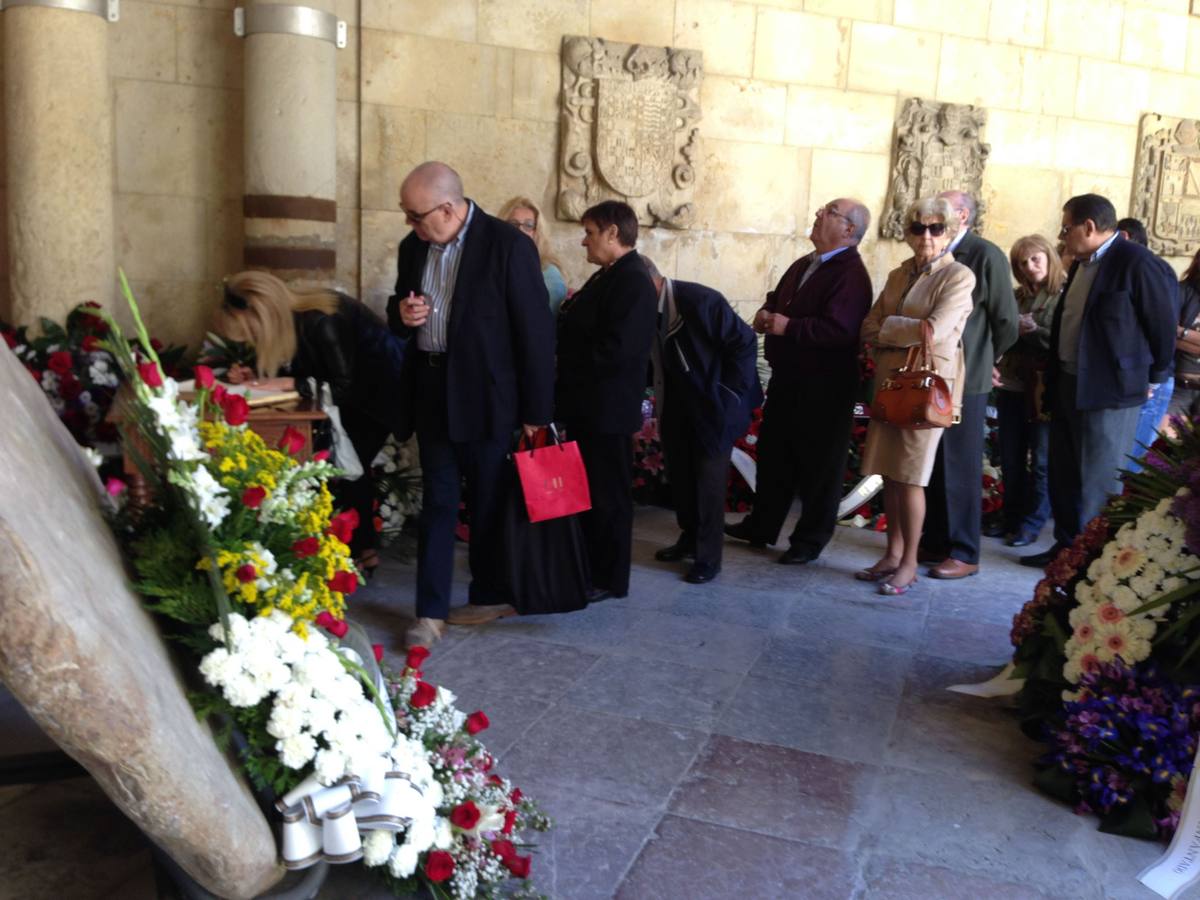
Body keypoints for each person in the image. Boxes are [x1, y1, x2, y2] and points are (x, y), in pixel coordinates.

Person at [386, 162, 555, 646]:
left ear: (447, 207)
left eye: (415, 215)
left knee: (487, 502)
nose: (410, 225)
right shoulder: (412, 247)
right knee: (438, 503)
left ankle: (488, 593)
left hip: (488, 399)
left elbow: (535, 334)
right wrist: (401, 314)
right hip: (432, 391)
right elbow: (399, 311)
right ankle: (430, 614)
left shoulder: (507, 245)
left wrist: (535, 414)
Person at [1020, 194, 1178, 568]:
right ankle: (1065, 548)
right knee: (1064, 473)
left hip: (1110, 391)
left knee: (1099, 480)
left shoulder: (1136, 262)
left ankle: (1091, 562)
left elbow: (1162, 324)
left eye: (1066, 227)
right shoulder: (1080, 264)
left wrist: (1155, 377)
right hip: (1069, 383)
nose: (1062, 236)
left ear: (1088, 227)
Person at [214, 270, 406, 577]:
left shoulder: (322, 319)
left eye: (251, 332)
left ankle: (350, 556)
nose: (252, 340)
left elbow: (343, 386)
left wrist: (285, 382)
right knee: (349, 470)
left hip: (377, 400)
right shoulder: (298, 319)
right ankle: (361, 551)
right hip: (360, 399)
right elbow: (308, 367)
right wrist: (259, 377)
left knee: (343, 470)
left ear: (263, 314)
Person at [724, 198, 874, 564]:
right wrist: (766, 312)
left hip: (825, 386)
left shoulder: (851, 275)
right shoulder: (806, 263)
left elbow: (841, 329)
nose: (818, 214)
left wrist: (788, 326)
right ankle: (762, 526)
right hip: (789, 378)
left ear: (848, 230)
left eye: (829, 212)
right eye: (822, 209)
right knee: (776, 457)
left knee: (819, 468)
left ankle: (808, 542)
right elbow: (779, 298)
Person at [859, 196, 975, 596]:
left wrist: (891, 327)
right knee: (889, 473)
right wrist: (903, 327)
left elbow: (937, 330)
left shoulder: (958, 276)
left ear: (950, 232)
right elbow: (867, 327)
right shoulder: (897, 274)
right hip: (892, 385)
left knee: (911, 476)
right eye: (918, 227)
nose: (926, 235)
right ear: (907, 232)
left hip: (927, 389)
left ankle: (909, 563)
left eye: (936, 228)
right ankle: (892, 554)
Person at [555, 200, 656, 601]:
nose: (584, 241)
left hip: (607, 409)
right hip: (590, 406)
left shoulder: (632, 279)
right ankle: (587, 568)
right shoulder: (609, 275)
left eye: (590, 232)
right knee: (590, 493)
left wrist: (565, 363)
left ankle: (608, 578)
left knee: (608, 496)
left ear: (613, 233)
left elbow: (619, 350)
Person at [643, 258, 761, 584]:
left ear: (649, 283)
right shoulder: (648, 309)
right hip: (678, 403)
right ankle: (689, 538)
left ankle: (709, 557)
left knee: (708, 480)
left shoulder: (700, 300)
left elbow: (745, 342)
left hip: (715, 406)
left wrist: (726, 397)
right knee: (682, 476)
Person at [920, 190, 1019, 579]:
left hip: (968, 378)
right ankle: (936, 540)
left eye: (939, 211)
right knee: (936, 461)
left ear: (961, 214)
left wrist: (987, 358)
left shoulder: (985, 254)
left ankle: (964, 551)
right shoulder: (936, 251)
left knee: (960, 465)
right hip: (935, 375)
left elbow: (1006, 321)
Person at [992, 235, 1064, 548]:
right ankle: (1010, 516)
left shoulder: (1063, 295)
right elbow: (998, 332)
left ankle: (1032, 523)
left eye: (1035, 259)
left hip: (1045, 388)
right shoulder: (1015, 296)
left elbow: (1064, 342)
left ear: (1049, 257)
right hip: (1012, 383)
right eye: (1022, 262)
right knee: (1010, 457)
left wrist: (1035, 331)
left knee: (1044, 460)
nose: (1029, 266)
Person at [1119, 217, 1175, 473]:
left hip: (1149, 378)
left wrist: (1153, 379)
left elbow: (1162, 327)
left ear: (1125, 236)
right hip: (1137, 377)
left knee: (1131, 461)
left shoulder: (1149, 269)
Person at [497, 196, 569, 315]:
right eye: (513, 224)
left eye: (528, 225)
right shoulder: (494, 262)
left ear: (537, 232)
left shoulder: (548, 273)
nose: (520, 230)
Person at [1169, 249, 1200, 428]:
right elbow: (1166, 334)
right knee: (1162, 449)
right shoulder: (1180, 291)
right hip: (1177, 387)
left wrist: (1183, 332)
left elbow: (1174, 333)